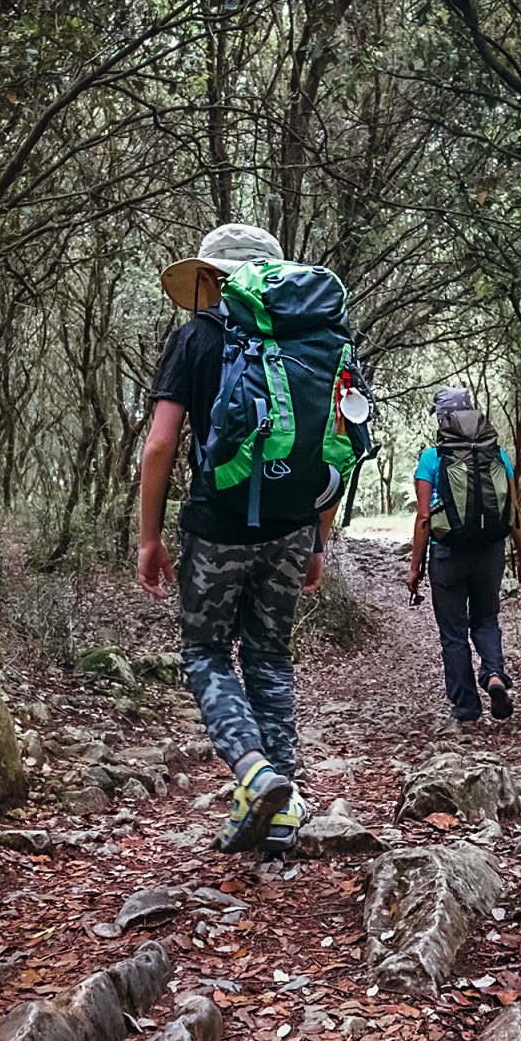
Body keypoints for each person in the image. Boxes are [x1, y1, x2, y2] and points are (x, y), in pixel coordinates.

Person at [136, 223, 340, 854]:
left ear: (216, 277)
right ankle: (282, 812)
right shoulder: (321, 342)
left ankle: (254, 774)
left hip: (218, 522)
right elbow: (333, 450)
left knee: (204, 653)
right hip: (293, 523)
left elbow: (161, 444)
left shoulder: (197, 336)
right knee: (271, 657)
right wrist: (317, 540)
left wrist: (148, 536)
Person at [405, 385, 521, 722]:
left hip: (446, 553)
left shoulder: (432, 458)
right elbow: (514, 510)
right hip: (490, 552)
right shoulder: (497, 454)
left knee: (453, 633)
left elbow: (423, 518)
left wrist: (415, 566)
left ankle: (466, 707)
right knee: (486, 619)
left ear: (443, 419)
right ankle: (493, 674)